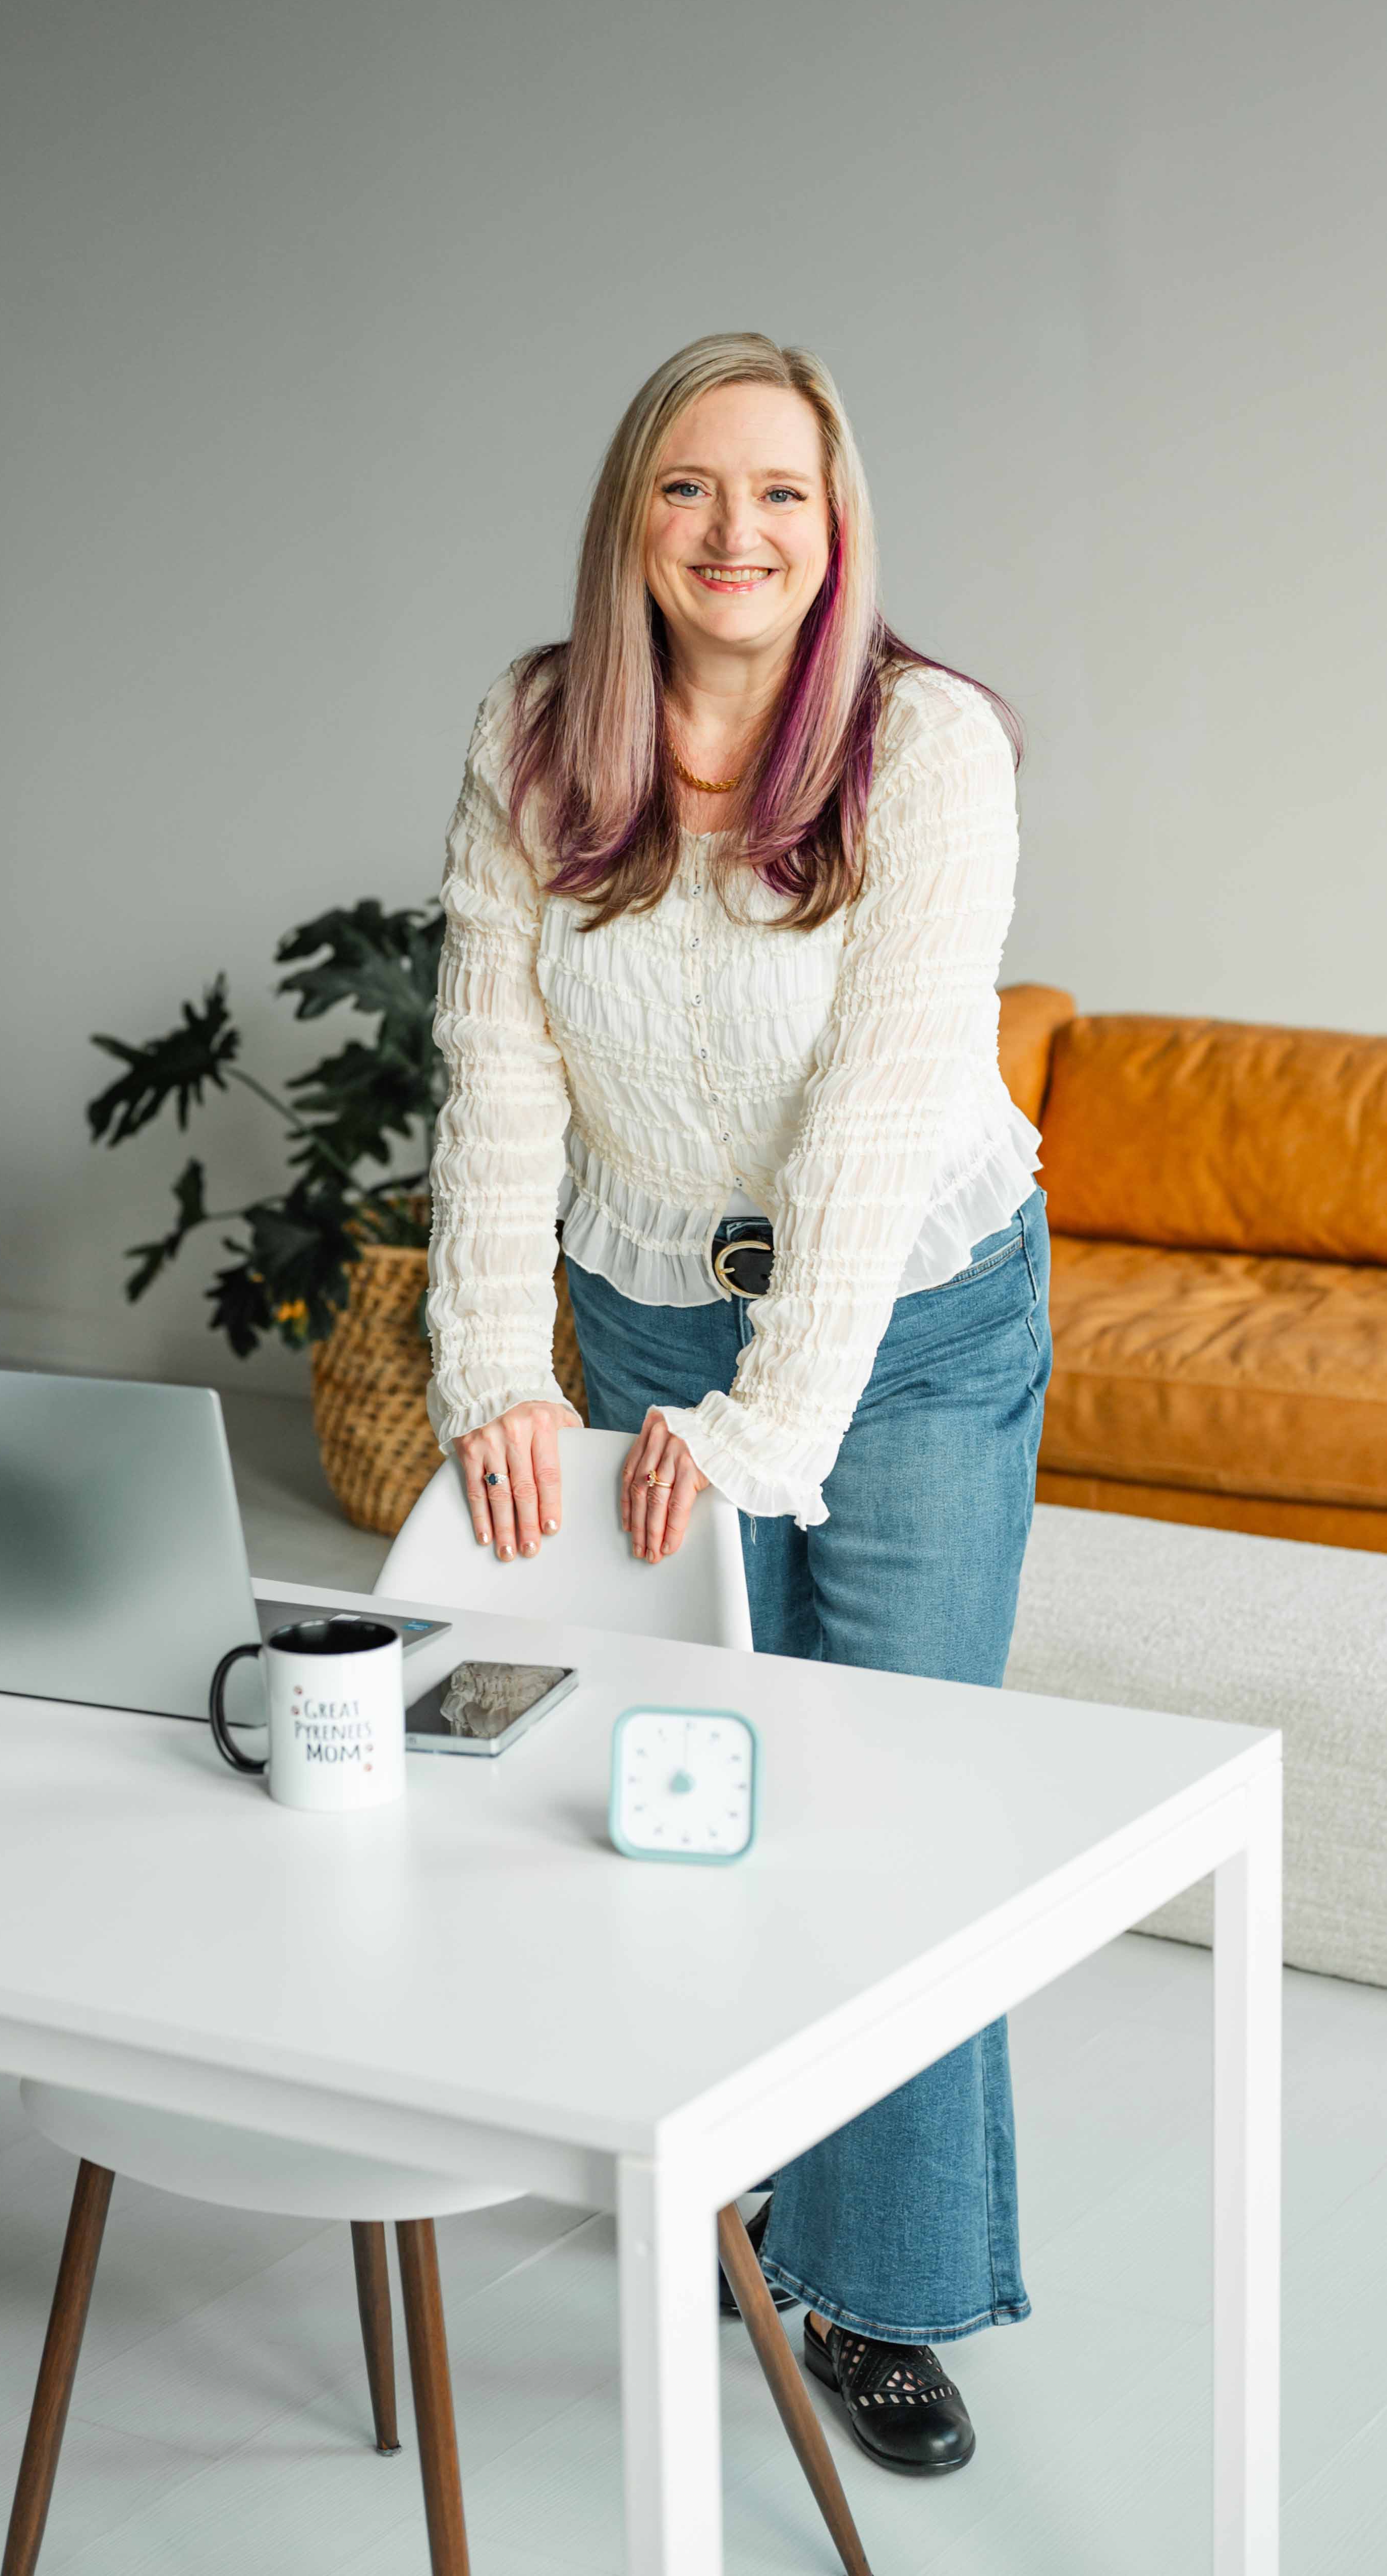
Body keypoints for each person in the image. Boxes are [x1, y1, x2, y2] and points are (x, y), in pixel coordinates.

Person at [423, 330, 1049, 2475]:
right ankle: (729, 2164)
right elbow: (497, 1072)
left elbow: (880, 1108)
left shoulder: (925, 746)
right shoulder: (532, 736)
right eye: (690, 490)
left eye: (779, 492)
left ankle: (868, 2284)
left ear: (836, 520)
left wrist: (778, 1430)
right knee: (703, 1773)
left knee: (885, 1780)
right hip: (650, 1306)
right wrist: (494, 1362)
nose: (735, 535)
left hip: (922, 1314)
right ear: (630, 519)